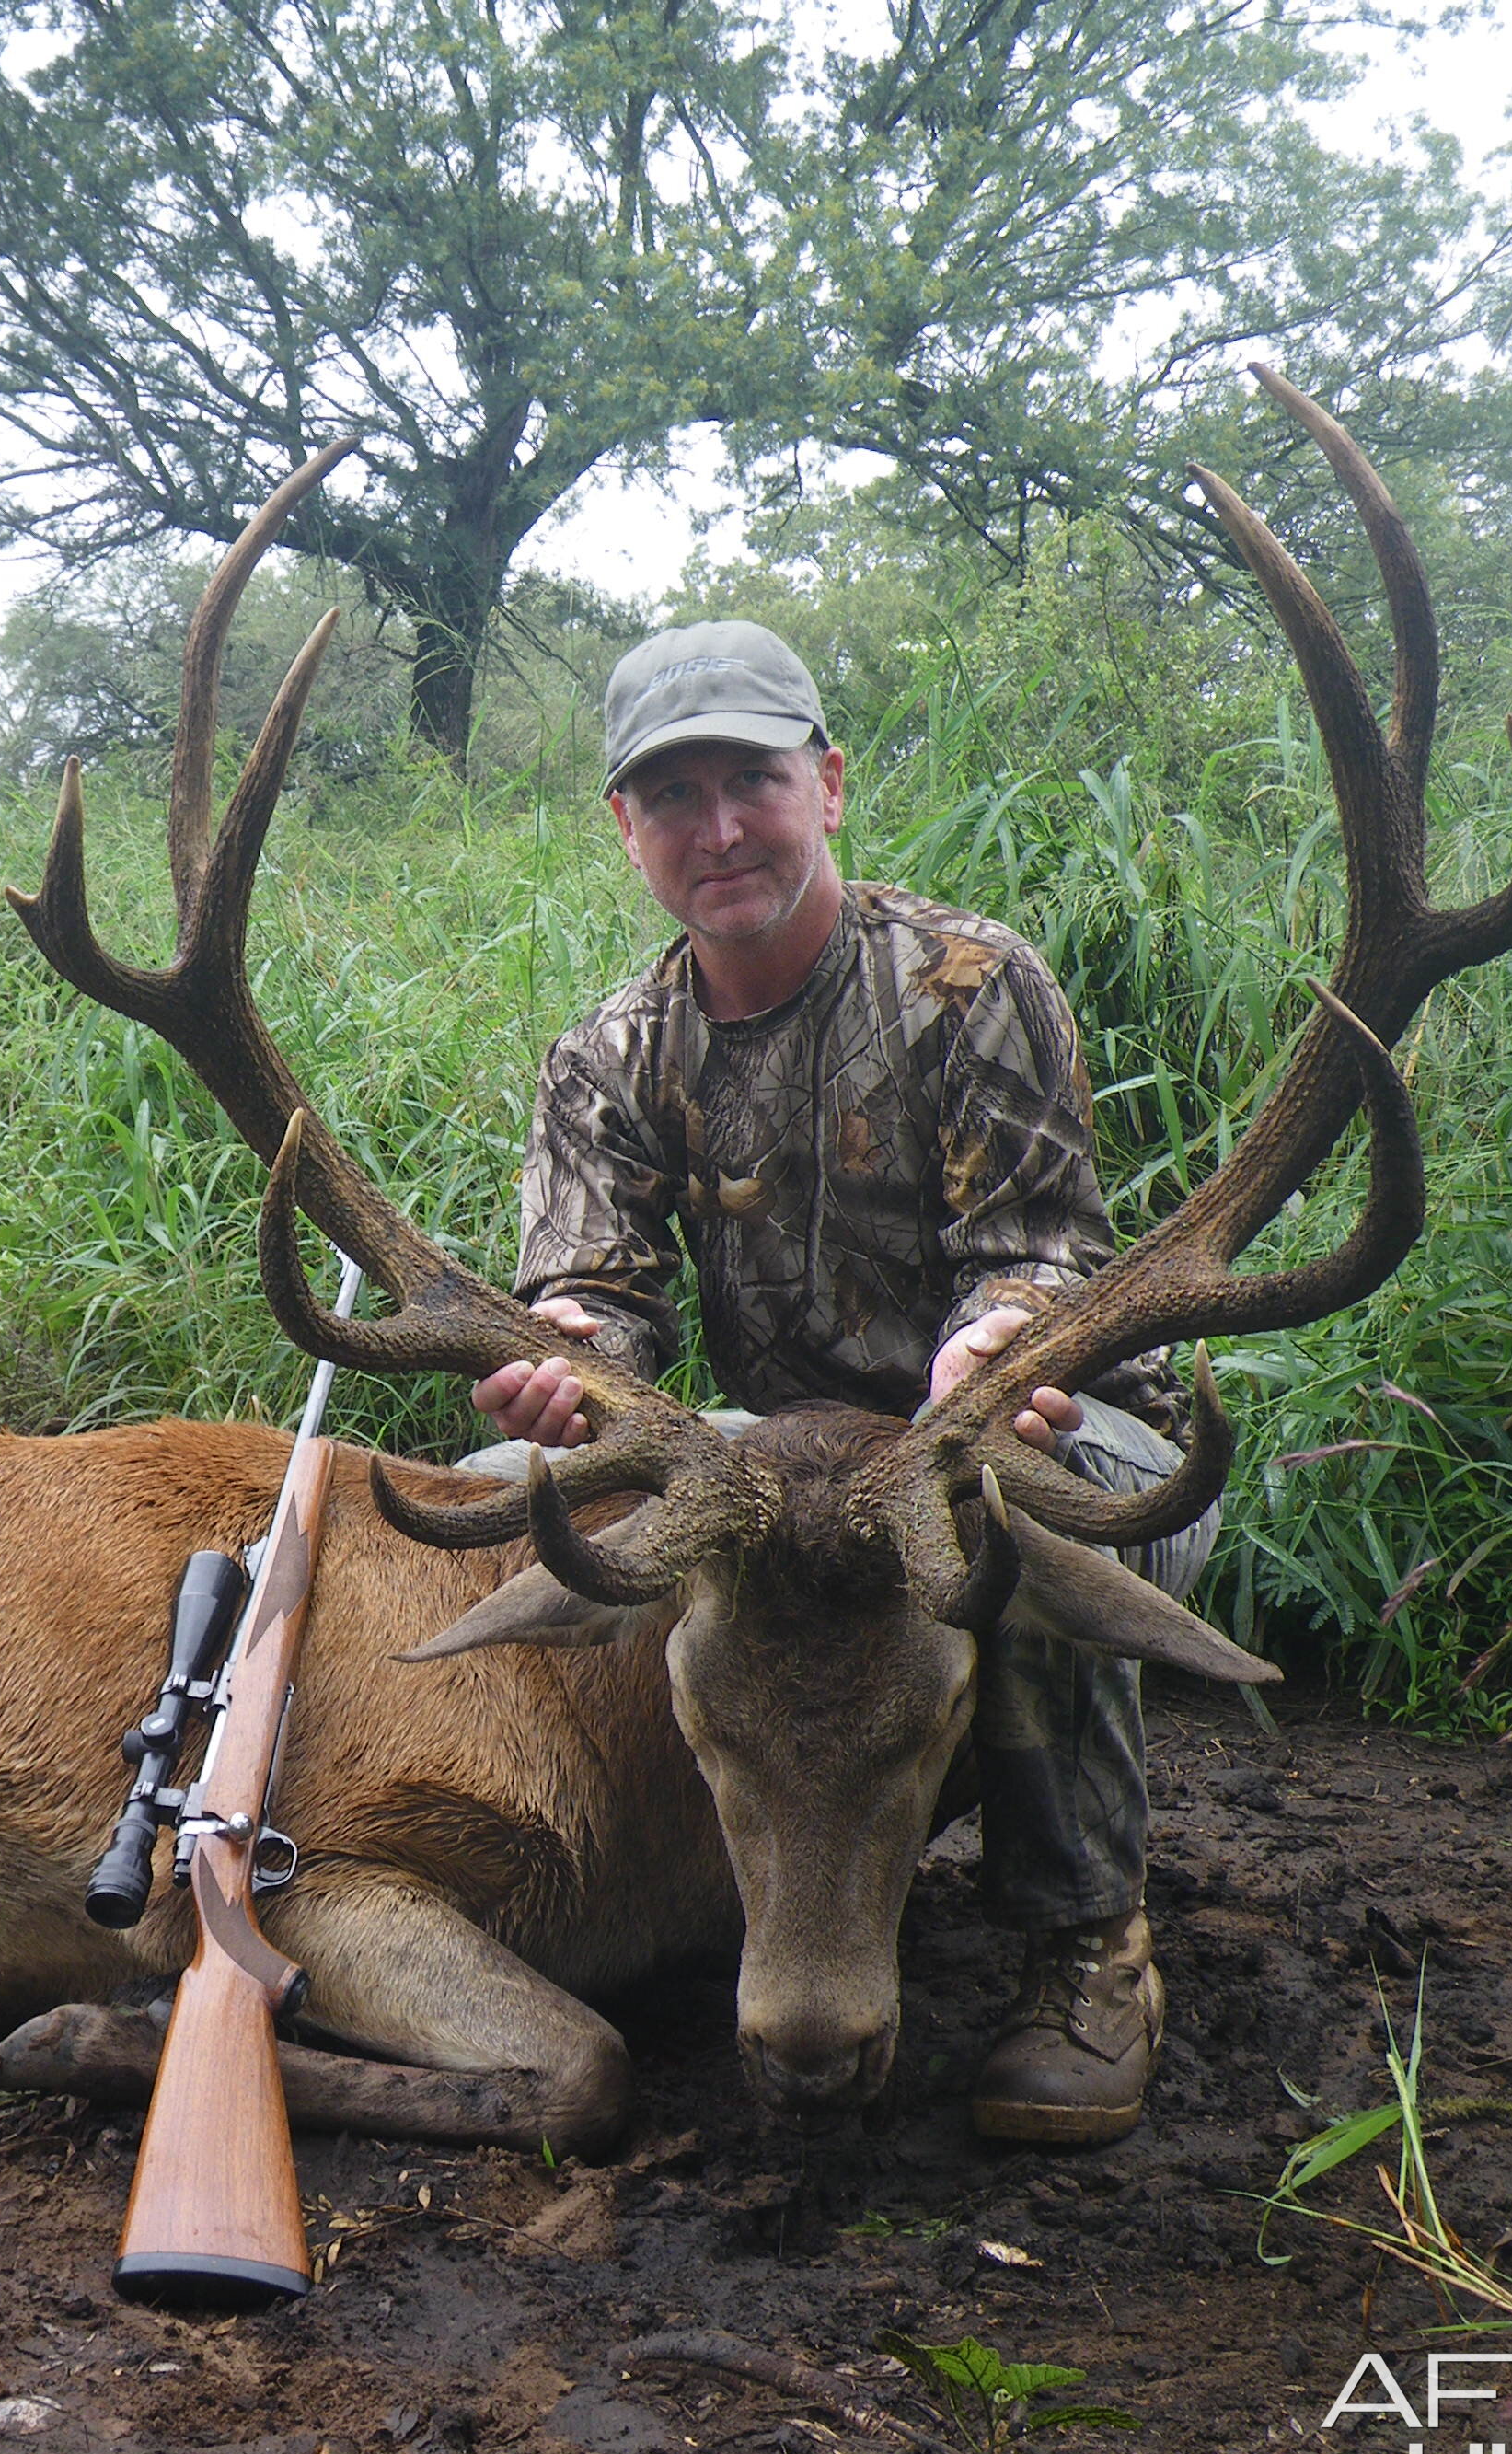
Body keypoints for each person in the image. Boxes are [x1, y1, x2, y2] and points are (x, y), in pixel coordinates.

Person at [468, 619, 1215, 2144]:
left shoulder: (965, 982)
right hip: (794, 1479)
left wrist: (1002, 1341)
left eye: (752, 778)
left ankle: (1087, 1948)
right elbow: (597, 1301)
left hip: (1063, 1435)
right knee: (501, 1502)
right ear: (626, 827)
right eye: (673, 797)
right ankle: (661, 1879)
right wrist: (576, 1383)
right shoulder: (611, 1050)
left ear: (829, 782)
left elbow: (1038, 1257)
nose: (720, 828)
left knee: (1006, 1534)